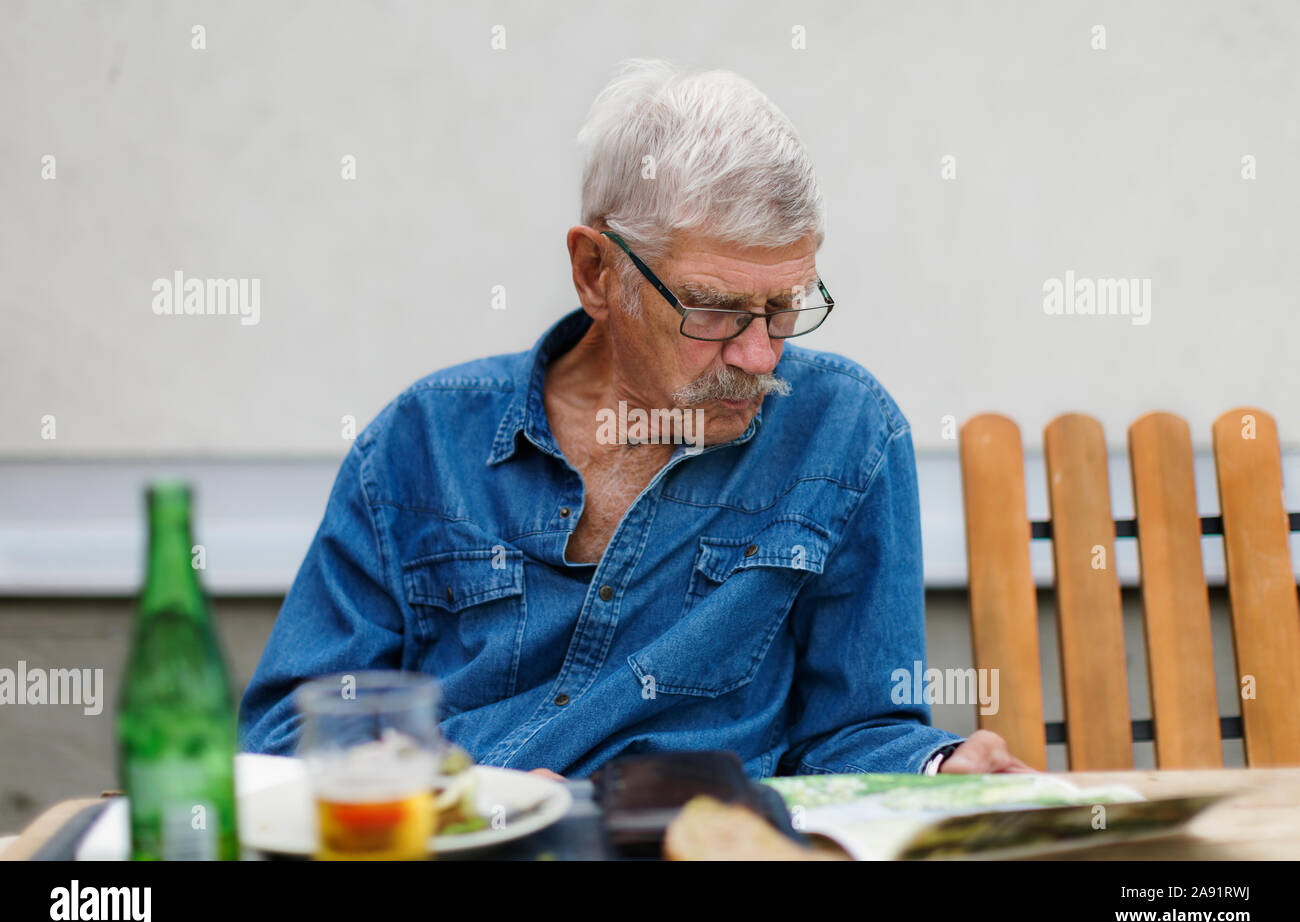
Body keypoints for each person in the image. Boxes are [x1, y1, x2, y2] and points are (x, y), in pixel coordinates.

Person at [239, 59, 1033, 778]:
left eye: (786, 307)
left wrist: (936, 768)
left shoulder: (847, 432)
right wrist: (468, 799)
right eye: (716, 310)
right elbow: (282, 740)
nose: (761, 357)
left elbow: (855, 733)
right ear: (597, 273)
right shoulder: (419, 445)